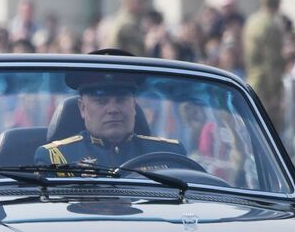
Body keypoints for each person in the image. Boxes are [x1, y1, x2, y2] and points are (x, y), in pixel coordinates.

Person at [36, 70, 186, 168]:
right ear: (82, 108)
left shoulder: (170, 154)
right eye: (101, 101)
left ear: (133, 105)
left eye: (121, 100)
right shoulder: (56, 158)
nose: (113, 110)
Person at [243, 0, 285, 128]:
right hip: (265, 86)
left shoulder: (252, 21)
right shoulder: (271, 25)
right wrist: (274, 91)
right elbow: (271, 61)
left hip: (252, 79)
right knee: (269, 131)